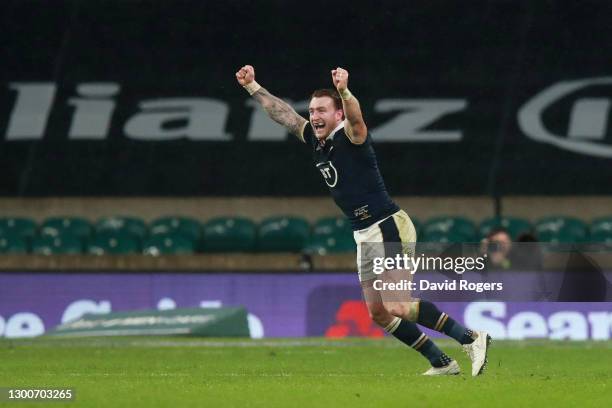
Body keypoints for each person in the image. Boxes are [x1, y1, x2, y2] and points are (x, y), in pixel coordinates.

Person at [236, 65, 490, 376]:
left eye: (322, 110)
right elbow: (283, 114)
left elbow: (356, 117)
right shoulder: (315, 140)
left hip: (386, 224)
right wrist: (252, 87)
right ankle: (442, 363)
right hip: (364, 232)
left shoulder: (351, 135)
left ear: (337, 115)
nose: (314, 116)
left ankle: (472, 338)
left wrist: (344, 92)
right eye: (312, 110)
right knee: (379, 313)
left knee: (397, 305)